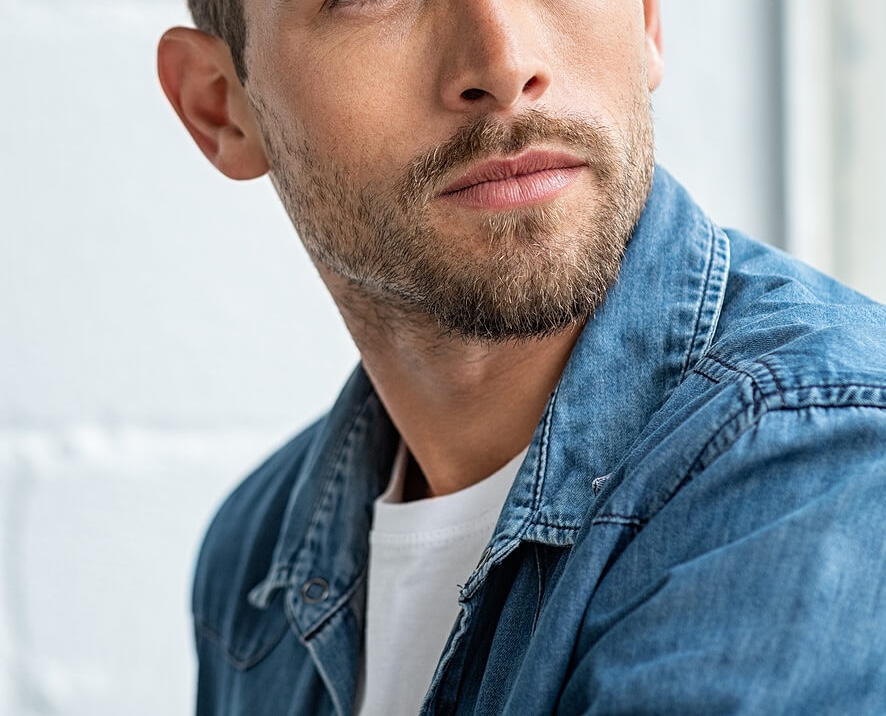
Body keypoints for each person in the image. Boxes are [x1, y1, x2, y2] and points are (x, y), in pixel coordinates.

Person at [157, 0, 886, 713]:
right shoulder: (255, 563)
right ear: (221, 107)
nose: (504, 63)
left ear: (646, 20)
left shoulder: (822, 460)